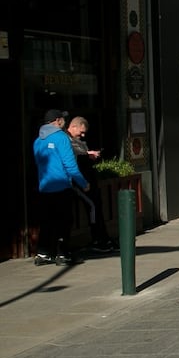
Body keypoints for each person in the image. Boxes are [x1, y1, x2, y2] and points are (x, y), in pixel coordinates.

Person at [33, 109, 90, 266]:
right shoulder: (61, 138)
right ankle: (62, 254)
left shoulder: (38, 140)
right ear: (57, 121)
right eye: (63, 120)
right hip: (61, 186)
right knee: (64, 221)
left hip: (44, 187)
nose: (64, 122)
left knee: (46, 221)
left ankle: (43, 253)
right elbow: (70, 165)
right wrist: (84, 183)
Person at [66, 116, 114, 252]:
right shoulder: (66, 140)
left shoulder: (79, 141)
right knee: (93, 206)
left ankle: (101, 238)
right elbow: (71, 160)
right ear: (73, 126)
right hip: (77, 180)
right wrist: (87, 154)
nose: (82, 135)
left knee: (96, 205)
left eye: (84, 133)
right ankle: (98, 238)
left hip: (86, 179)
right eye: (81, 132)